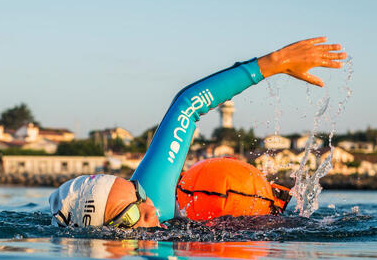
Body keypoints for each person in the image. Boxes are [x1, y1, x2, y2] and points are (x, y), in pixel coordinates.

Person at [49, 37, 347, 229]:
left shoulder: (154, 201)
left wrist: (272, 64)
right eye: (130, 214)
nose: (150, 205)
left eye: (139, 193)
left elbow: (187, 106)